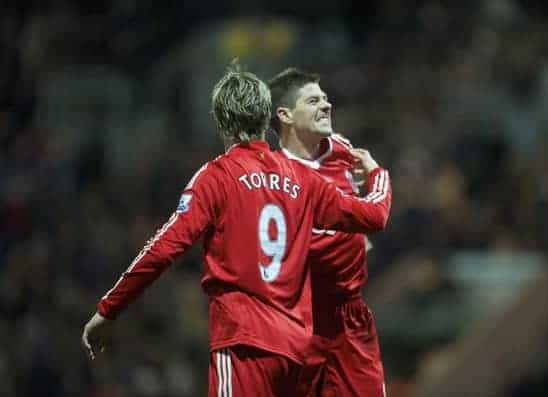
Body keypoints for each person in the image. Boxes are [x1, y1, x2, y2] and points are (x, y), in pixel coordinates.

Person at [81, 63, 391, 396]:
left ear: (221, 123)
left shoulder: (217, 177)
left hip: (245, 342)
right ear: (266, 117)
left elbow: (164, 247)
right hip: (297, 351)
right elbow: (373, 215)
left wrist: (108, 309)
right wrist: (377, 174)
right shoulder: (303, 180)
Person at [268, 67, 387, 396]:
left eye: (325, 98)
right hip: (298, 323)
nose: (327, 105)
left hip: (350, 319)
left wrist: (355, 236)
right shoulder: (274, 177)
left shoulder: (340, 148)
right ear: (285, 115)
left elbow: (350, 199)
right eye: (313, 100)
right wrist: (377, 176)